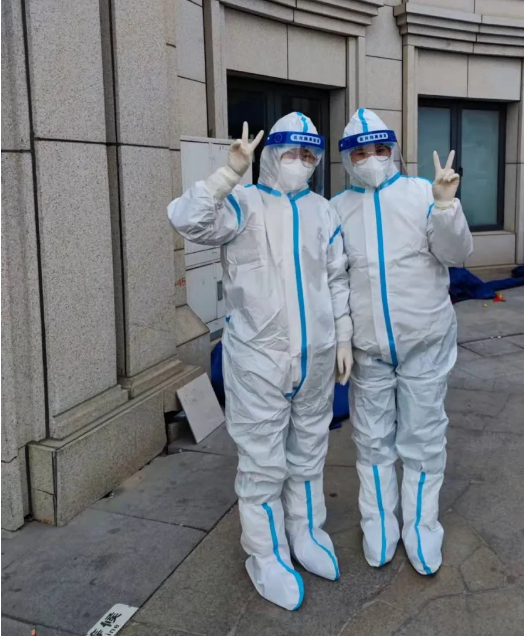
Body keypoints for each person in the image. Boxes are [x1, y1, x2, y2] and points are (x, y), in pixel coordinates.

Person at [168, 113, 354, 611]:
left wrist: (343, 336)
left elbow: (336, 277)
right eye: (292, 152)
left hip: (315, 359)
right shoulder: (241, 204)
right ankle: (266, 554)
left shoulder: (323, 211)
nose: (301, 162)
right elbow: (186, 219)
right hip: (257, 360)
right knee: (263, 464)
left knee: (309, 452)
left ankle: (305, 532)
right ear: (271, 155)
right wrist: (228, 173)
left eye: (309, 155)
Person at [331, 108, 473, 576]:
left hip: (425, 341)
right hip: (369, 350)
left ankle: (422, 526)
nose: (371, 159)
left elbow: (456, 254)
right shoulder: (337, 208)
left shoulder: (421, 194)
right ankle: (379, 524)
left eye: (380, 149)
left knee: (423, 439)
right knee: (372, 442)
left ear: (392, 150)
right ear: (347, 158)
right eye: (360, 152)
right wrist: (344, 337)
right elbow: (335, 278)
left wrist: (446, 207)